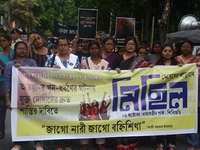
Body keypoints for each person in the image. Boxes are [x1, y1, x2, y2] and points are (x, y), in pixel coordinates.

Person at [4, 41, 43, 150]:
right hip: (16, 98)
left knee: (34, 119)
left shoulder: (32, 62)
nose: (22, 50)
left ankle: (38, 143)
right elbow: (7, 83)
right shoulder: (10, 65)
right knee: (17, 120)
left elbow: (37, 78)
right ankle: (17, 143)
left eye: (24, 48)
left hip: (31, 97)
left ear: (27, 50)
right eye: (19, 48)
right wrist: (8, 100)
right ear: (15, 50)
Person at [112, 36, 149, 150]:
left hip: (135, 93)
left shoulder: (140, 61)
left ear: (135, 46)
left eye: (132, 44)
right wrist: (115, 70)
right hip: (120, 93)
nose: (130, 46)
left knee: (133, 117)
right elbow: (109, 72)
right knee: (120, 117)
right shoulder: (118, 59)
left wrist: (150, 68)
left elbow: (146, 73)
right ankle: (121, 144)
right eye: (128, 44)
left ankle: (133, 144)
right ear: (125, 45)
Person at [44, 35, 79, 150]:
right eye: (60, 45)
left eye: (65, 45)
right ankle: (58, 142)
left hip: (71, 94)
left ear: (68, 45)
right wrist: (52, 70)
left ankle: (68, 142)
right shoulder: (52, 58)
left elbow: (79, 75)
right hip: (56, 94)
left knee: (70, 117)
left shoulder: (75, 58)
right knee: (57, 117)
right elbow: (44, 74)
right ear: (57, 46)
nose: (63, 47)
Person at [152, 43, 180, 150]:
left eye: (170, 51)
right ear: (161, 52)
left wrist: (182, 69)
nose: (167, 53)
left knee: (172, 120)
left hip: (173, 97)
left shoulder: (177, 65)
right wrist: (149, 68)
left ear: (173, 53)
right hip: (160, 96)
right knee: (159, 119)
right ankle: (159, 143)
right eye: (165, 51)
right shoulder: (156, 65)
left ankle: (171, 144)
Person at [0, 34, 14, 139]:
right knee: (2, 108)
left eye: (4, 40)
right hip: (2, 83)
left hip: (16, 83)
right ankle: (1, 130)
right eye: (0, 41)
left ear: (9, 41)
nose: (2, 43)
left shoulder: (16, 52)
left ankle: (21, 131)